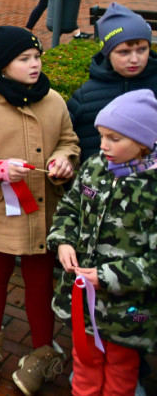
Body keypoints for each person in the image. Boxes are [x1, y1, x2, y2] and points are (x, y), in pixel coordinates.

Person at [0, 25, 78, 394]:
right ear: (4, 65)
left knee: (40, 280)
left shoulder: (53, 100)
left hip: (42, 211)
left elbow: (69, 141)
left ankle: (42, 351)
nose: (35, 64)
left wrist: (64, 159)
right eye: (25, 59)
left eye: (37, 57)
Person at [49, 89, 157, 396]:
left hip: (128, 309)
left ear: (143, 142)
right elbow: (70, 208)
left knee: (122, 371)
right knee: (84, 361)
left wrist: (108, 277)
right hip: (84, 303)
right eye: (101, 135)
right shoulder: (95, 167)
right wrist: (63, 241)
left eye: (114, 138)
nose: (103, 145)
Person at [67, 3, 156, 162]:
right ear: (107, 53)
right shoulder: (85, 97)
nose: (134, 59)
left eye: (142, 49)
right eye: (124, 52)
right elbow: (66, 141)